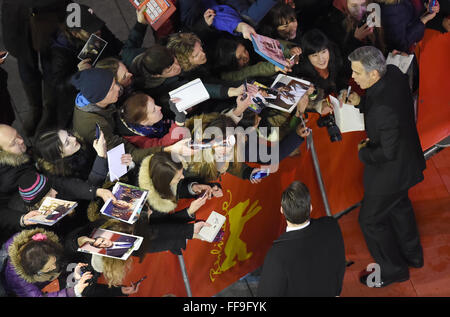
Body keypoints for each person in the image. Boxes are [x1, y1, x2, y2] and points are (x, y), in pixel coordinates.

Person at [347, 46, 426, 288]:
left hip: (390, 173)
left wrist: (364, 153)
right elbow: (381, 98)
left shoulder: (382, 110)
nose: (353, 78)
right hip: (407, 164)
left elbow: (386, 153)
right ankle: (414, 255)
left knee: (369, 221)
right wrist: (361, 101)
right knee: (400, 207)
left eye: (358, 73)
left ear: (373, 74)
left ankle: (394, 270)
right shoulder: (392, 72)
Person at [70, 68, 194, 164]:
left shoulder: (104, 98)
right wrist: (168, 149)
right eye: (112, 88)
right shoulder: (91, 127)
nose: (119, 88)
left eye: (115, 82)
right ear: (100, 98)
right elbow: (130, 154)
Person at [257, 181, 346, 296]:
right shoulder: (331, 225)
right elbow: (340, 264)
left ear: (282, 211)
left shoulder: (277, 255)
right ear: (310, 208)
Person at [48, 4, 124, 131]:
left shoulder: (97, 28)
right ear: (75, 33)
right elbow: (58, 85)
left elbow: (115, 45)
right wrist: (79, 74)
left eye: (97, 27)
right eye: (91, 31)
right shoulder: (60, 52)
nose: (98, 32)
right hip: (91, 92)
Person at [2, 228, 92, 297]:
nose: (54, 267)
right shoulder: (19, 281)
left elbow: (63, 249)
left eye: (54, 261)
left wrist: (76, 243)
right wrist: (73, 291)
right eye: (48, 268)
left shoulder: (44, 244)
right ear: (35, 272)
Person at [116, 93, 189, 148]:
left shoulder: (140, 116)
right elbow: (162, 145)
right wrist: (179, 122)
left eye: (155, 104)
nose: (159, 107)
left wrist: (173, 105)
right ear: (144, 122)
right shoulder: (139, 141)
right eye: (154, 110)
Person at [317, 0, 387, 58]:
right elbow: (340, 62)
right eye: (354, 6)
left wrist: (389, 54)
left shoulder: (371, 12)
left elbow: (380, 44)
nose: (360, 11)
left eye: (363, 4)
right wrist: (356, 40)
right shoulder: (332, 24)